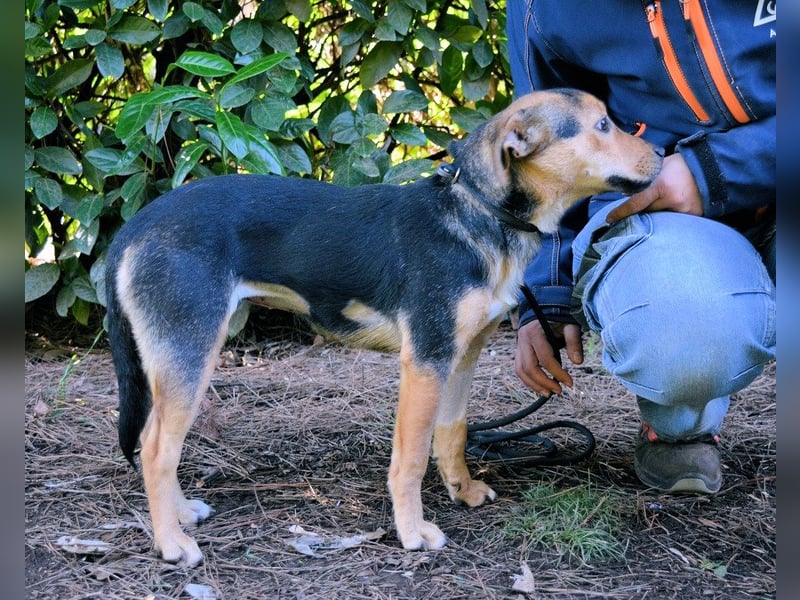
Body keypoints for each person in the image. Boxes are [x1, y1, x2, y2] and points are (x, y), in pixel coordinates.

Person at [506, 0, 776, 493]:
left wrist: (713, 171)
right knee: (683, 335)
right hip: (662, 217)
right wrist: (544, 293)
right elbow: (552, 160)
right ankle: (681, 424)